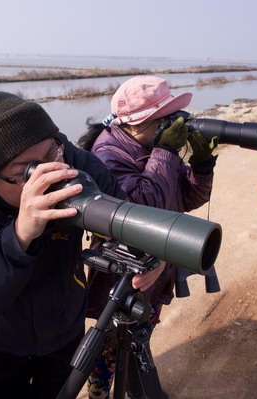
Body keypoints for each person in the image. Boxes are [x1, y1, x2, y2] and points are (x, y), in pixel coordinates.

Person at [0, 91, 133, 399]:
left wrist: (144, 247)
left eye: (51, 156)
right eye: (25, 174)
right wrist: (19, 235)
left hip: (65, 329)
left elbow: (123, 216)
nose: (48, 176)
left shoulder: (70, 159)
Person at [78, 75, 217, 398]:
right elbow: (140, 214)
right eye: (163, 120)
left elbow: (188, 198)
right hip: (122, 274)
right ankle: (100, 395)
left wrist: (202, 166)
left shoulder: (151, 147)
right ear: (137, 123)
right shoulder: (108, 155)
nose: (169, 126)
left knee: (141, 332)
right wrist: (166, 151)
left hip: (156, 266)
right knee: (110, 343)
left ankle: (137, 387)